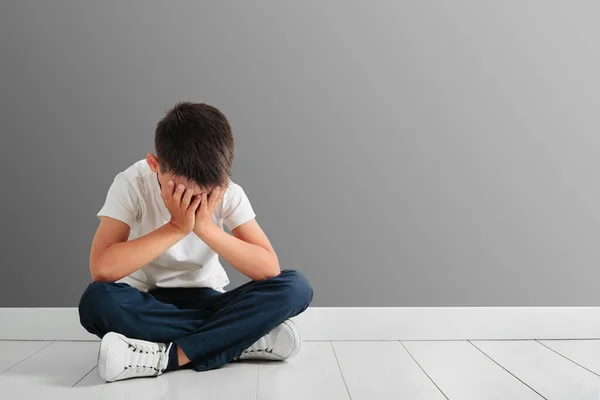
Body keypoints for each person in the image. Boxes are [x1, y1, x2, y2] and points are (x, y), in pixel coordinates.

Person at [78, 102, 313, 382]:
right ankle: (239, 339)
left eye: (203, 194)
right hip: (146, 301)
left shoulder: (226, 191)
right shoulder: (132, 183)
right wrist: (176, 227)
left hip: (209, 299)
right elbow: (102, 269)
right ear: (155, 165)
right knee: (97, 302)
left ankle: (167, 357)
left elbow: (268, 270)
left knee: (295, 287)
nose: (192, 202)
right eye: (180, 191)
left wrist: (205, 229)